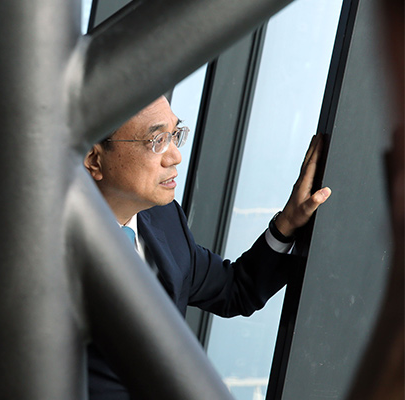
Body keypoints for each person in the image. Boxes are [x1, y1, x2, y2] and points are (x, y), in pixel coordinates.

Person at [83, 95, 331, 399]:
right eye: (157, 140)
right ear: (95, 159)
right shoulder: (40, 258)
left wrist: (288, 224)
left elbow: (234, 289)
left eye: (175, 135)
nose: (175, 156)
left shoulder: (162, 219)